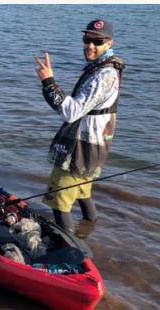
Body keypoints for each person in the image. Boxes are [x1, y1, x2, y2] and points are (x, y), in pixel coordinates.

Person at [34, 19, 124, 233]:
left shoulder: (104, 74)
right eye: (87, 39)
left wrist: (49, 82)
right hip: (95, 140)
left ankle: (71, 249)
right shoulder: (104, 68)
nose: (90, 45)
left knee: (59, 199)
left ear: (109, 43)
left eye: (97, 41)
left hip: (84, 145)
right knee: (83, 190)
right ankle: (88, 231)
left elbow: (71, 112)